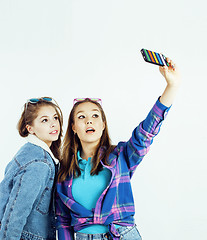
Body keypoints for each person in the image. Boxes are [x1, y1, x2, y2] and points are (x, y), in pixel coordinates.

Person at [56, 58, 181, 240]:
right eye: (81, 117)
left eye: (95, 116)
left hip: (122, 235)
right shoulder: (64, 170)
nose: (89, 121)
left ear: (103, 124)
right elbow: (63, 221)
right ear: (73, 127)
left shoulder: (120, 156)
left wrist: (172, 86)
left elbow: (146, 132)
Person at [0, 97, 63, 240]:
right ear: (30, 129)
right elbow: (16, 212)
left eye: (55, 118)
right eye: (44, 120)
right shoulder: (39, 163)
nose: (53, 124)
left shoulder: (29, 151)